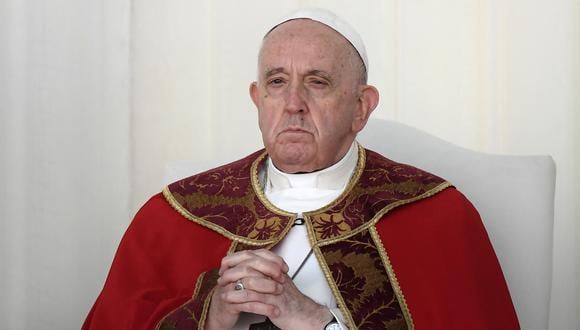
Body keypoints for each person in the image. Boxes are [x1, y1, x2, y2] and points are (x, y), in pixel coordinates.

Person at [83, 8, 519, 330]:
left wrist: (316, 322)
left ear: (360, 107)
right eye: (277, 82)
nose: (293, 104)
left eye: (317, 81)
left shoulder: (436, 216)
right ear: (257, 99)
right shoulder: (175, 214)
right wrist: (209, 316)